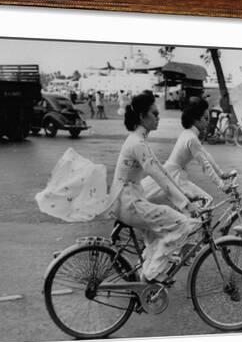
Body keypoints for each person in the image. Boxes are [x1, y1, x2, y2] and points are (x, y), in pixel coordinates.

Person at [35, 91, 201, 283]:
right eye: (154, 114)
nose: (158, 117)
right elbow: (159, 176)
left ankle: (149, 275)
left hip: (128, 201)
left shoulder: (137, 140)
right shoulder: (138, 143)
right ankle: (151, 274)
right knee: (182, 224)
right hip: (131, 204)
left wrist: (186, 194)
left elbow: (162, 173)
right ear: (142, 116)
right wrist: (187, 206)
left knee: (160, 233)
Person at [142, 97, 232, 206]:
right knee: (205, 202)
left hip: (175, 174)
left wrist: (221, 174)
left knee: (202, 205)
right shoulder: (192, 138)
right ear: (196, 120)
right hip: (175, 176)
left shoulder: (188, 133)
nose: (208, 122)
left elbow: (206, 155)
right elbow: (205, 165)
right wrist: (221, 185)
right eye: (206, 118)